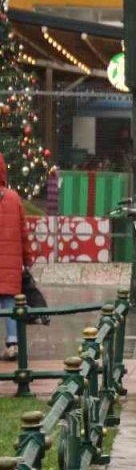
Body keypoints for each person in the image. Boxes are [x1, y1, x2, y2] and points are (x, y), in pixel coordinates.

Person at [0, 155, 32, 361]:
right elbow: (23, 232)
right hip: (10, 264)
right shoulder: (13, 198)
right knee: (10, 302)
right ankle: (12, 343)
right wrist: (27, 258)